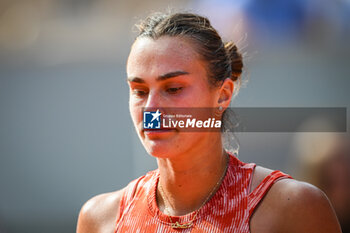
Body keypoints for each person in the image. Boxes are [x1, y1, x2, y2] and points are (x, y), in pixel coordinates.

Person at [76, 12, 341, 233]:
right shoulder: (100, 219)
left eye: (174, 88)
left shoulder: (292, 208)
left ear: (223, 95)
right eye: (140, 91)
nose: (151, 110)